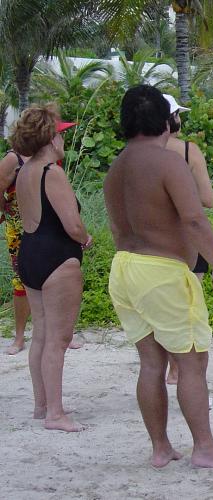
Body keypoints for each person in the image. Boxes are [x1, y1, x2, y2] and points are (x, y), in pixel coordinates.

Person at [104, 85, 213, 469]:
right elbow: (194, 218)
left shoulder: (117, 167)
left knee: (151, 363)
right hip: (162, 272)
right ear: (167, 121)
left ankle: (161, 446)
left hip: (125, 268)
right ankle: (204, 447)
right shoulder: (168, 162)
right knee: (192, 363)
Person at [10, 105, 89, 432]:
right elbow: (71, 224)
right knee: (59, 337)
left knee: (41, 333)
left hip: (29, 253)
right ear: (49, 137)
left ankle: (42, 405)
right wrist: (85, 239)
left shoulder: (25, 171)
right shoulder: (51, 172)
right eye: (60, 133)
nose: (63, 139)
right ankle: (56, 414)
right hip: (57, 257)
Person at [162, 93, 213, 384]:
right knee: (190, 308)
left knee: (163, 310)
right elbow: (207, 199)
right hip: (188, 239)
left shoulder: (134, 153)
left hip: (152, 241)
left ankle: (170, 366)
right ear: (171, 119)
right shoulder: (187, 151)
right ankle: (181, 368)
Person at [0, 149, 30, 355]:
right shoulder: (13, 158)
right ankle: (19, 337)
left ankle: (63, 334)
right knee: (22, 280)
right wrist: (5, 210)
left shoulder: (51, 154)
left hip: (47, 227)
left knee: (54, 280)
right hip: (19, 229)